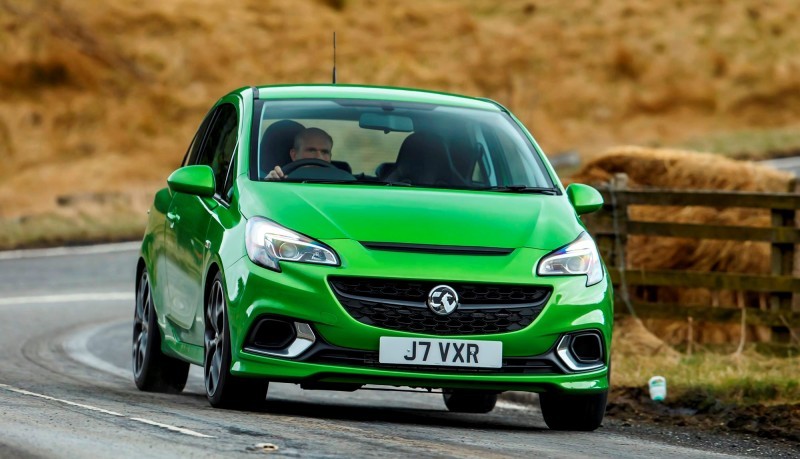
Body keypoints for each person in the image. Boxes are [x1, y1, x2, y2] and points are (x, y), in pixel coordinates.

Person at [266, 127, 333, 180]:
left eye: (325, 152)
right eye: (311, 150)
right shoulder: (282, 180)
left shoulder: (341, 181)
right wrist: (269, 184)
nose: (319, 157)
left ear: (330, 156)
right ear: (294, 155)